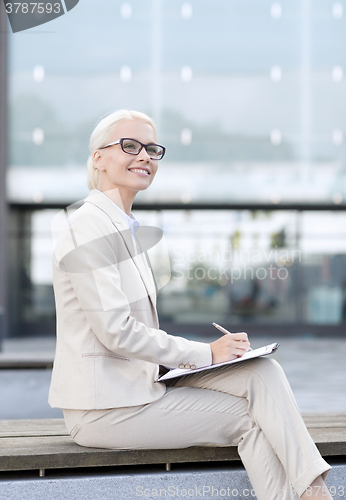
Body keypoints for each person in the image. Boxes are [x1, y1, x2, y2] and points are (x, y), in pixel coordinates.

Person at [49, 109, 332, 500]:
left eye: (152, 149)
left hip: (141, 388)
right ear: (98, 157)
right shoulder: (87, 225)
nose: (144, 156)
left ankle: (313, 490)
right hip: (106, 409)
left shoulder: (123, 226)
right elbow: (115, 332)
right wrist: (206, 353)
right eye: (130, 146)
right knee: (251, 420)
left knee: (261, 372)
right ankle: (314, 496)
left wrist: (221, 357)